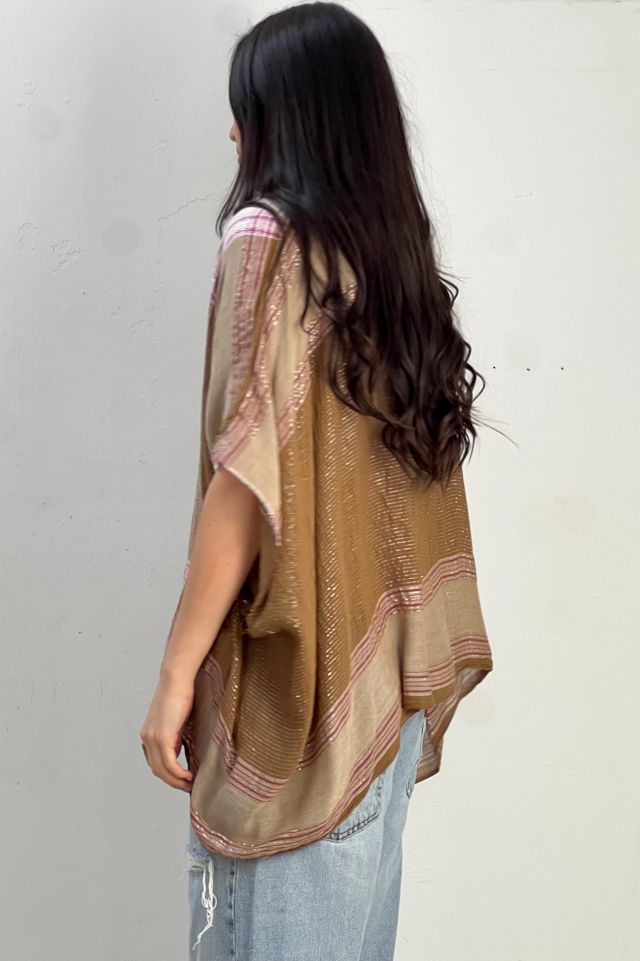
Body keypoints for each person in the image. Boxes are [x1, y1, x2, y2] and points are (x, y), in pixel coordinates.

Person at [139, 3, 495, 958]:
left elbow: (243, 483)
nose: (232, 133)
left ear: (286, 118)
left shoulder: (265, 237)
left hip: (297, 717)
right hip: (380, 707)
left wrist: (175, 677)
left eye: (245, 109)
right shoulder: (386, 256)